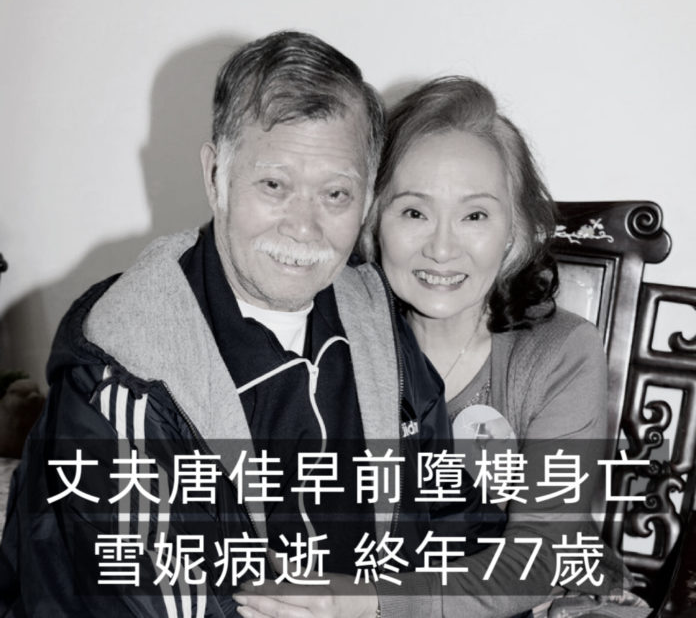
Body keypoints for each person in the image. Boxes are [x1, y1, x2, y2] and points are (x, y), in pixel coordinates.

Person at [0, 37, 503, 617]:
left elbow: (464, 528)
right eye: (274, 185)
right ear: (216, 175)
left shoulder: (376, 323)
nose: (304, 227)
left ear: (366, 198)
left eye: (335, 194)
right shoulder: (124, 376)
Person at [235, 78, 651, 617]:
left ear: (514, 231)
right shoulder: (326, 335)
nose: (442, 248)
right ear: (372, 221)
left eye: (474, 215)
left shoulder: (559, 353)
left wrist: (366, 602)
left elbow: (539, 555)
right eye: (414, 212)